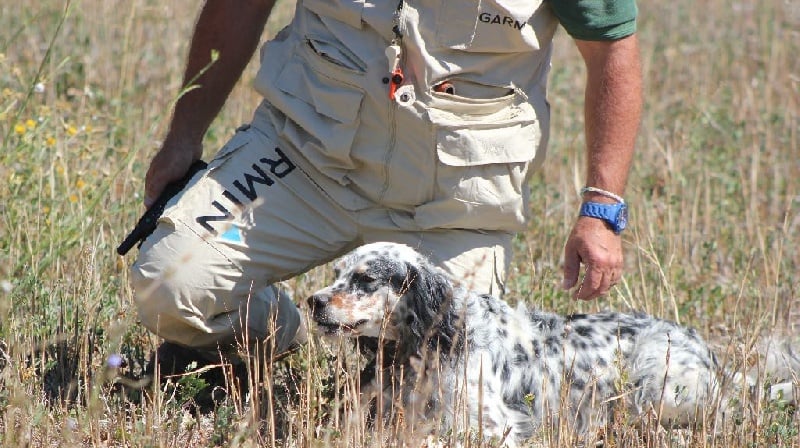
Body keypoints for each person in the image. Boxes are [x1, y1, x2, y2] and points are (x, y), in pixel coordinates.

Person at [130, 0, 642, 372]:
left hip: (453, 204)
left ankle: (380, 349)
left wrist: (602, 207)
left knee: (452, 364)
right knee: (168, 284)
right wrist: (183, 135)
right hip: (302, 158)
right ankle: (268, 337)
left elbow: (613, 50)